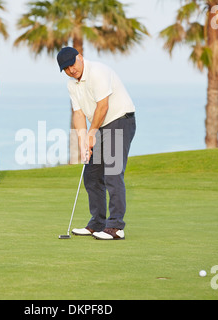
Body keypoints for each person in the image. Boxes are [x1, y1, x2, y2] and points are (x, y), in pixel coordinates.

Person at [57, 47, 136, 240]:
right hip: (100, 126)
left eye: (72, 64)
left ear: (80, 58)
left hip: (120, 120)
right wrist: (83, 140)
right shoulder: (71, 85)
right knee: (91, 175)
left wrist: (91, 133)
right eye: (66, 68)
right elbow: (78, 113)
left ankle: (116, 227)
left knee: (112, 172)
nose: (71, 70)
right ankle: (97, 223)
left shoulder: (98, 72)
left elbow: (103, 106)